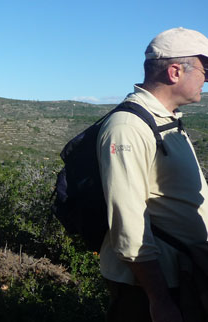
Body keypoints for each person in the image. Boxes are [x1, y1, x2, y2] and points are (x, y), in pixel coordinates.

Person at [97, 27, 208, 322]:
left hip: (182, 273)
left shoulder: (166, 120)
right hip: (152, 286)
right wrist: (159, 300)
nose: (206, 78)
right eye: (204, 68)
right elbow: (128, 221)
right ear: (175, 72)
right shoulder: (128, 127)